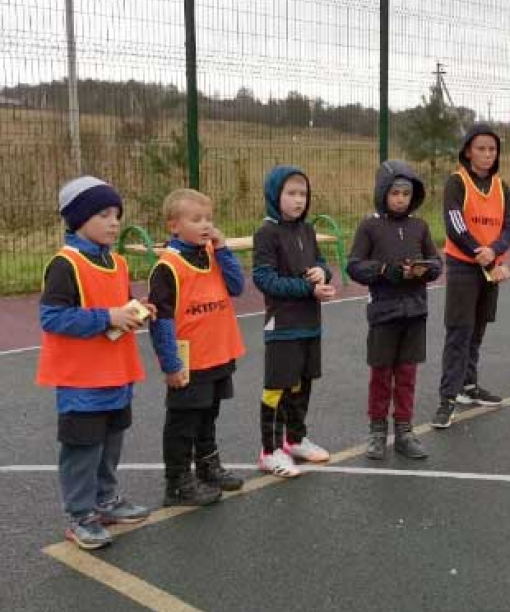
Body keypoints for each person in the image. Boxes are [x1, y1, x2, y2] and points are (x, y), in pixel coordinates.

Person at [36, 176, 151, 549]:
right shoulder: (65, 264)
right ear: (79, 219)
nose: (114, 221)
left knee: (111, 443)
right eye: (103, 214)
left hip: (117, 374)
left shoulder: (116, 262)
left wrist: (137, 310)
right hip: (81, 380)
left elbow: (120, 305)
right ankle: (80, 515)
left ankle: (106, 500)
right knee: (83, 449)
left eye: (117, 214)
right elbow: (52, 318)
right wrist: (108, 318)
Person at [148, 188, 246, 507]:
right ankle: (176, 482)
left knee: (209, 415)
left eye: (209, 218)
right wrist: (171, 364)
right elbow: (160, 322)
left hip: (218, 352)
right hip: (189, 359)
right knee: (183, 422)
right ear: (173, 225)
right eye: (196, 219)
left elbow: (236, 286)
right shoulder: (168, 267)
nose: (206, 225)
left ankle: (207, 467)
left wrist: (223, 249)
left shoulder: (212, 252)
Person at [347, 161, 440, 461]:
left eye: (406, 193)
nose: (401, 198)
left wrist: (424, 271)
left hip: (415, 313)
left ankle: (404, 431)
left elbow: (436, 263)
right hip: (384, 314)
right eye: (395, 192)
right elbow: (354, 266)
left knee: (407, 375)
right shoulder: (370, 226)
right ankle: (377, 432)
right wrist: (386, 270)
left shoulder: (420, 226)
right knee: (381, 375)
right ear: (383, 193)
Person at [252, 166, 336, 477]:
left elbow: (322, 263)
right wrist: (307, 288)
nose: (299, 200)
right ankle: (270, 450)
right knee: (278, 387)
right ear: (276, 195)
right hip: (282, 325)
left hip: (309, 323)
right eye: (291, 193)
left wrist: (322, 273)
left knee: (303, 385)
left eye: (303, 194)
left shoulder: (308, 230)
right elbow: (264, 279)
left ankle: (294, 439)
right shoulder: (266, 233)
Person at [432, 124, 510, 429]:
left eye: (492, 149)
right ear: (468, 150)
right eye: (481, 148)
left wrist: (493, 251)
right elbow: (455, 223)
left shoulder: (501, 186)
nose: (486, 154)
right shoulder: (457, 182)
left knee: (478, 328)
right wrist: (477, 250)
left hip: (490, 266)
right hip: (464, 265)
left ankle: (468, 386)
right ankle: (447, 398)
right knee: (459, 330)